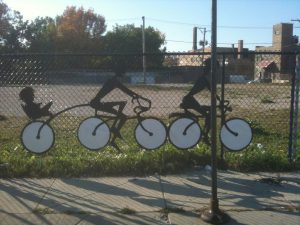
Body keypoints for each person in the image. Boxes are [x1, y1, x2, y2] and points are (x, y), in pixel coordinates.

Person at [90, 66, 147, 150]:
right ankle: (114, 128)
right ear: (120, 73)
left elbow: (125, 90)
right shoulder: (114, 81)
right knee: (123, 115)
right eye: (123, 73)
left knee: (123, 110)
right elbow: (125, 89)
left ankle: (114, 131)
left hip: (98, 102)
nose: (124, 75)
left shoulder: (113, 80)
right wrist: (137, 96)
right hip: (97, 103)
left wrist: (134, 95)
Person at [180, 58, 221, 144]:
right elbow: (212, 91)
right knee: (208, 116)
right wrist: (219, 99)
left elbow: (212, 91)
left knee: (209, 111)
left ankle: (205, 133)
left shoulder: (204, 78)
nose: (212, 72)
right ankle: (205, 136)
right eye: (211, 70)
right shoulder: (204, 79)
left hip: (190, 99)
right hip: (189, 100)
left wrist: (219, 99)